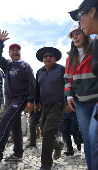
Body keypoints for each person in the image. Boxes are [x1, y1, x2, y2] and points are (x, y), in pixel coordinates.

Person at [0, 30, 35, 170]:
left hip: (20, 99)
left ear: (20, 52)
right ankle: (18, 153)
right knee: (15, 126)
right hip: (9, 100)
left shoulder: (25, 66)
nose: (15, 52)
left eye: (17, 50)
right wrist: (0, 42)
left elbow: (31, 84)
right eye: (13, 50)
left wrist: (30, 101)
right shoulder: (7, 65)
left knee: (4, 120)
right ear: (9, 53)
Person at [64, 22, 98, 170]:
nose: (75, 37)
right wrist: (68, 97)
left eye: (77, 33)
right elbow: (67, 79)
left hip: (96, 101)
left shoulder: (95, 50)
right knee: (87, 140)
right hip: (80, 104)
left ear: (84, 33)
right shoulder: (70, 58)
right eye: (72, 35)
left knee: (94, 136)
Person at [36, 47, 65, 170]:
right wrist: (36, 102)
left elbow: (69, 84)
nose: (48, 57)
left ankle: (46, 164)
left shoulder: (61, 69)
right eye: (45, 56)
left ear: (55, 58)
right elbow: (37, 88)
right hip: (43, 107)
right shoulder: (39, 72)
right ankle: (58, 144)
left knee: (48, 131)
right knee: (45, 132)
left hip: (57, 106)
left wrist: (68, 101)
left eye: (50, 55)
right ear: (43, 59)